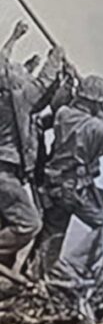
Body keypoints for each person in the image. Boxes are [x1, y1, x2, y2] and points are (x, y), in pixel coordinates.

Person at [31, 75, 103, 277]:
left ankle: (38, 276)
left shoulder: (63, 114)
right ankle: (73, 267)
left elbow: (51, 120)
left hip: (54, 187)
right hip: (76, 191)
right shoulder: (96, 128)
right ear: (96, 103)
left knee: (53, 234)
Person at [0, 21, 63, 270]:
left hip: (9, 173)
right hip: (6, 173)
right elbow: (41, 85)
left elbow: (40, 96)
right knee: (29, 224)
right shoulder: (17, 99)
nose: (24, 73)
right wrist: (56, 57)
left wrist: (14, 38)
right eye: (20, 72)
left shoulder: (14, 101)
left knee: (8, 224)